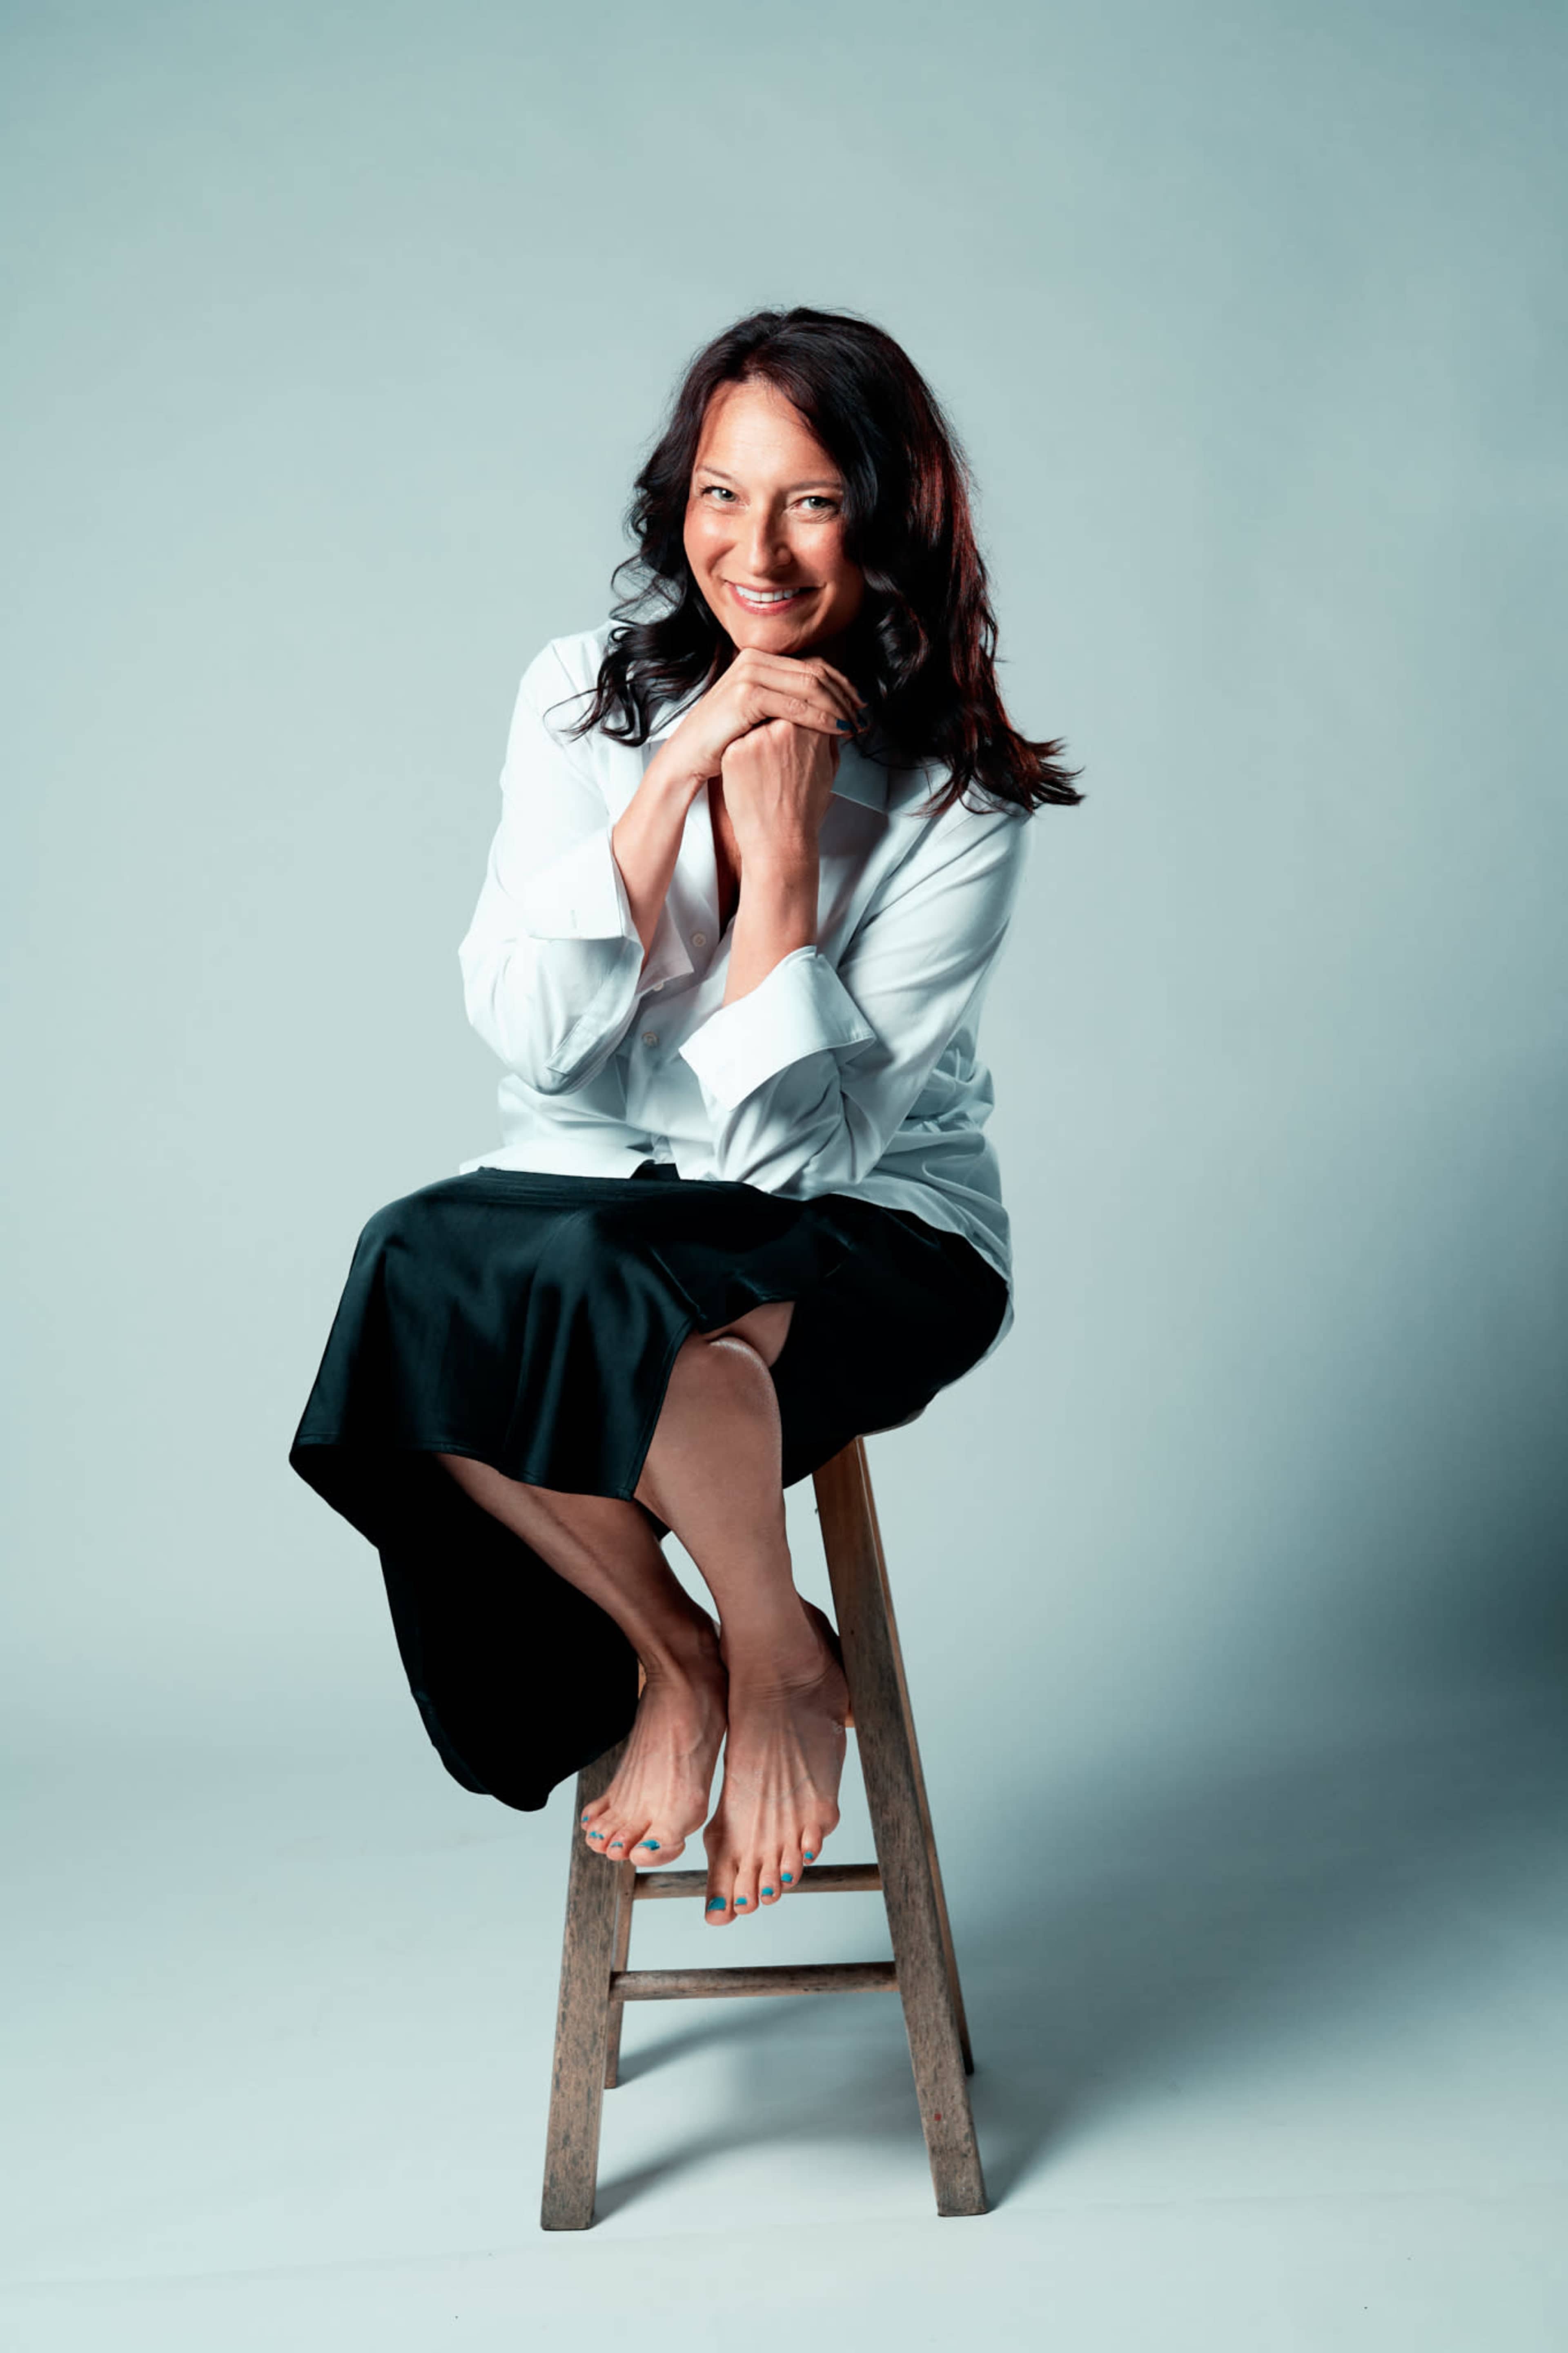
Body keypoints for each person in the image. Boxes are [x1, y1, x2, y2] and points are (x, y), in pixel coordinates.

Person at [289, 304, 1081, 1928]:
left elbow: (791, 1164)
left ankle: (779, 1664)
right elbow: (537, 1043)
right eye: (724, 494)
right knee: (409, 1268)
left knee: (620, 1297)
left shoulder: (959, 795)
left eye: (811, 502)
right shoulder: (579, 695)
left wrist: (779, 856)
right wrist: (669, 787)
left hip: (877, 1226)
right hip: (597, 1186)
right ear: (681, 500)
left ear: (889, 517)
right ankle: (699, 1655)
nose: (756, 549)